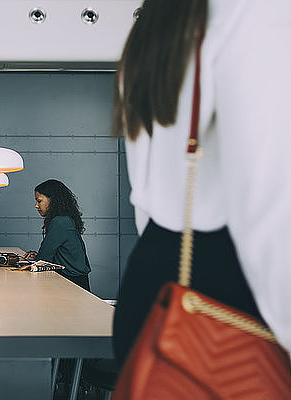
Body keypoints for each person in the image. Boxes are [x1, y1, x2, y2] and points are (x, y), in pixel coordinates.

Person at [112, 0, 291, 367]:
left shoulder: (156, 22)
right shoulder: (257, 14)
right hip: (225, 303)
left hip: (155, 288)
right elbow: (269, 209)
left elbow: (143, 194)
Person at [23, 179, 91, 291]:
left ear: (53, 201)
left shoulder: (59, 222)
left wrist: (29, 261)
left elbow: (44, 258)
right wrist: (36, 257)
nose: (36, 206)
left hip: (72, 283)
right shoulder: (65, 219)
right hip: (76, 280)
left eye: (39, 201)